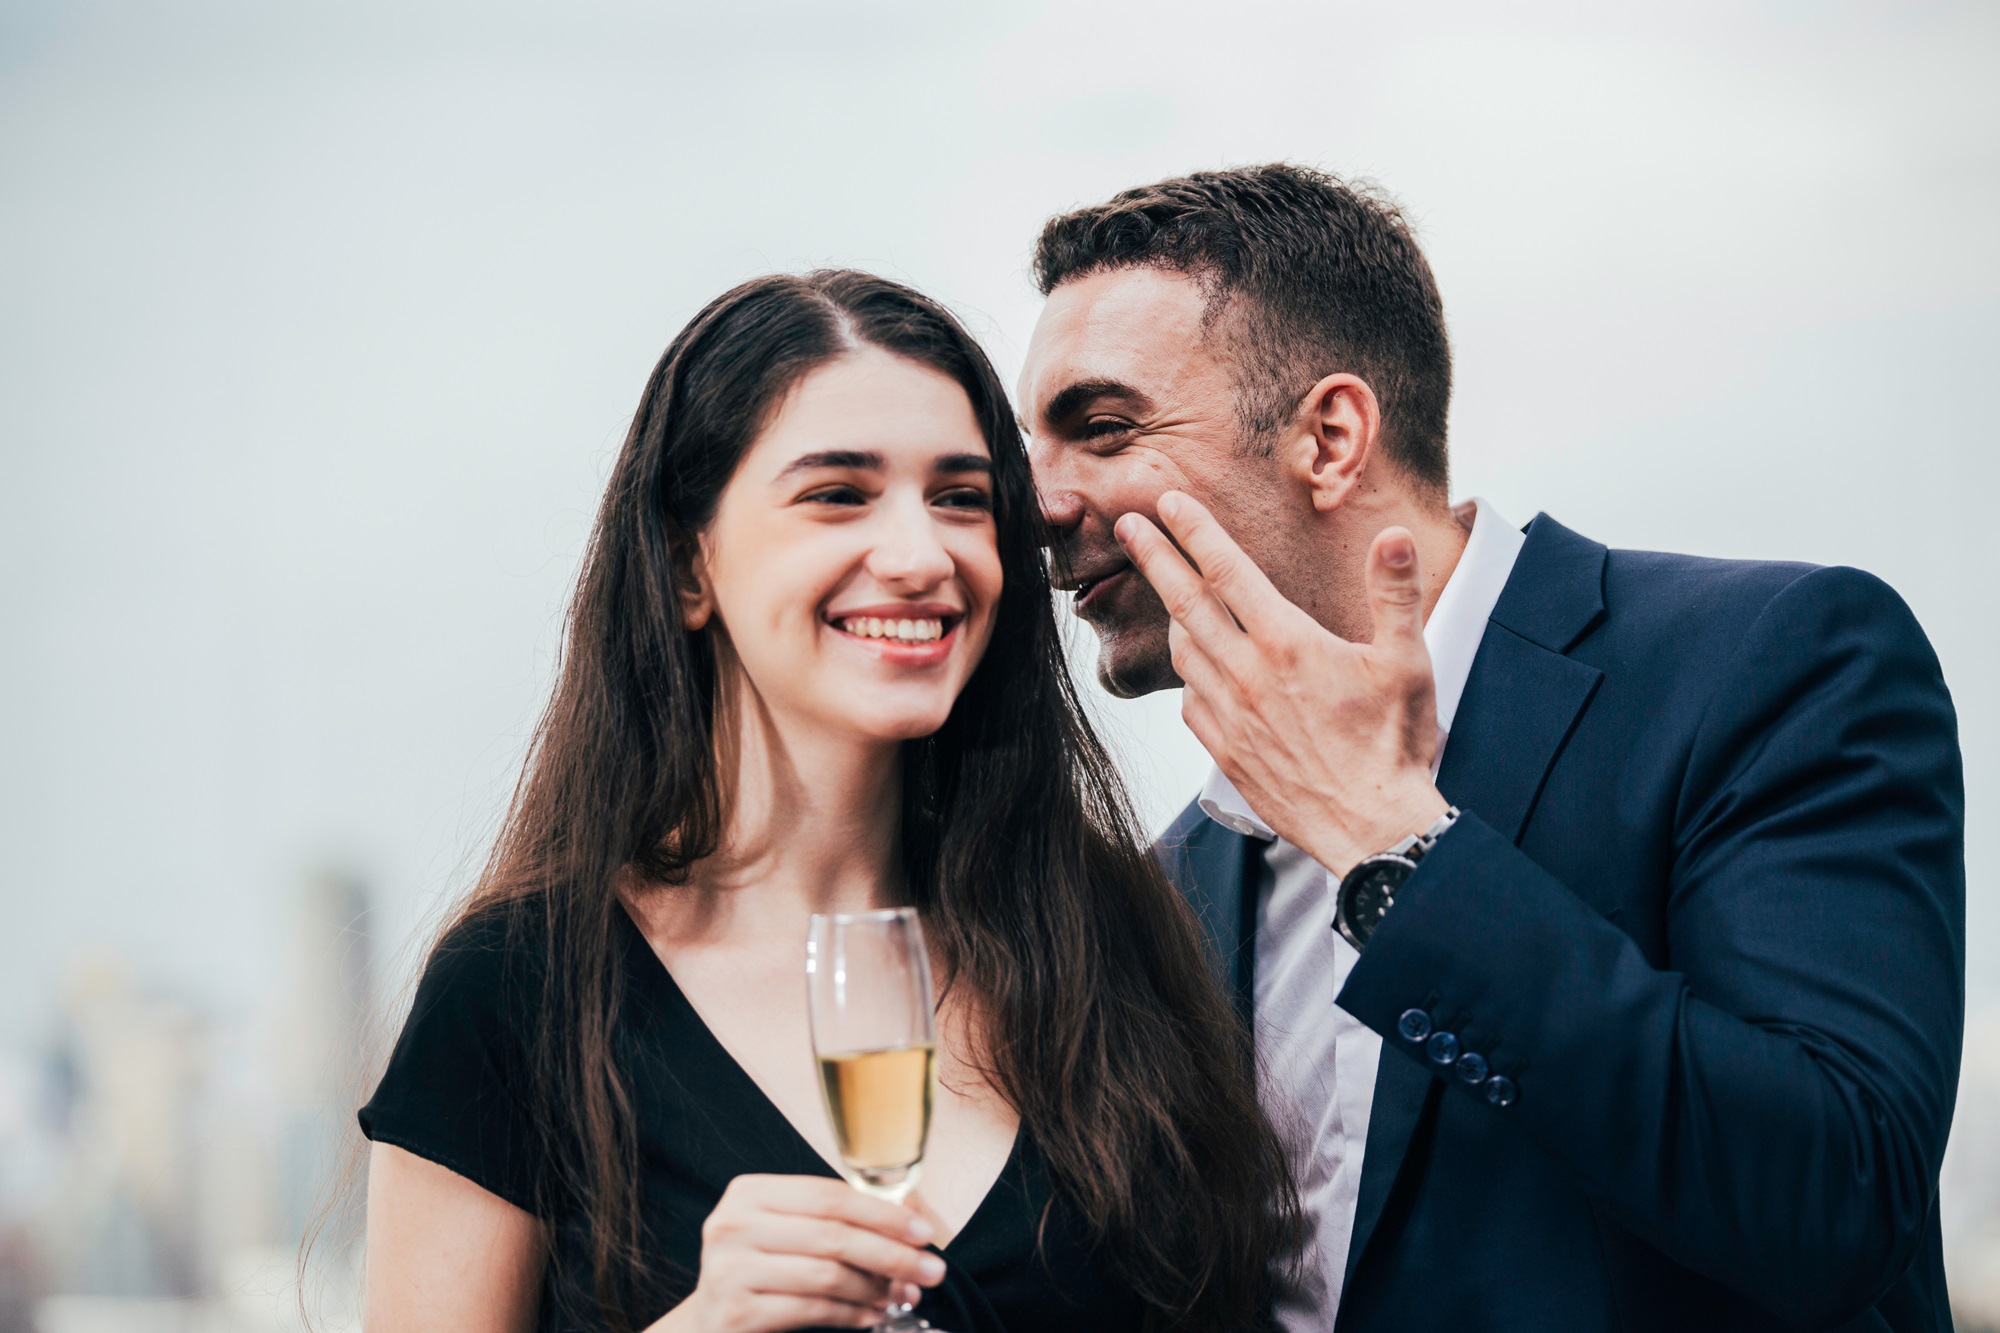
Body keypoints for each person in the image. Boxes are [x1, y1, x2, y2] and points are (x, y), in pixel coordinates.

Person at [1018, 164, 1964, 1332]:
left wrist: (1390, 844)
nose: (1037, 502)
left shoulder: (1773, 664)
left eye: (1101, 429)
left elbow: (1837, 1199)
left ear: (1329, 437)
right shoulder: (1170, 884)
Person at [356, 270, 1302, 1333]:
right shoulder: (516, 990)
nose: (919, 555)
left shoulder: (1119, 938)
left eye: (960, 498)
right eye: (838, 494)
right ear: (686, 564)